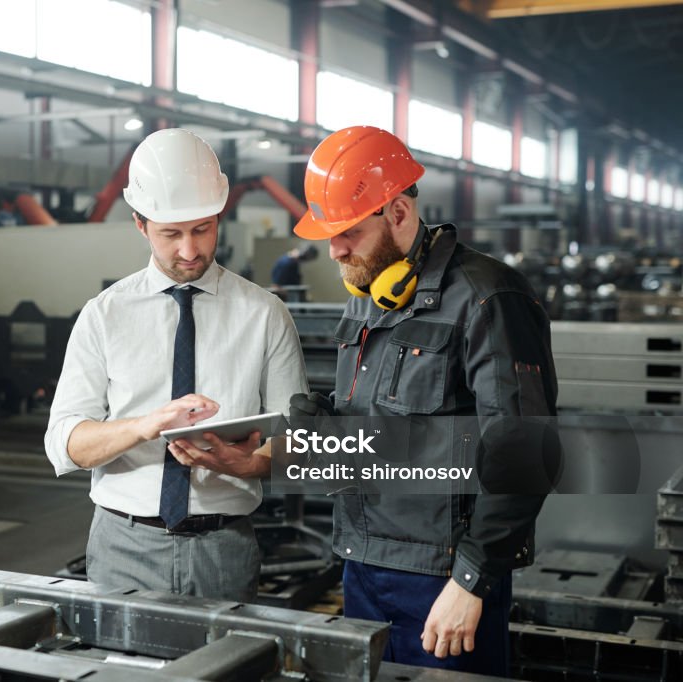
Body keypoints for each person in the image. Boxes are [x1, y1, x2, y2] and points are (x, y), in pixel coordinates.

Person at [290, 126, 557, 676]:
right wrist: (325, 433)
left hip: (442, 578)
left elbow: (524, 451)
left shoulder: (487, 298)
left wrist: (472, 580)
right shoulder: (368, 298)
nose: (334, 249)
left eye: (347, 232)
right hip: (362, 564)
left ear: (396, 214)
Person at [44, 128, 307, 602]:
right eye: (171, 234)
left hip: (225, 548)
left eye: (203, 229)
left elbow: (299, 446)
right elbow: (66, 445)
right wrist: (146, 426)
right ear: (140, 224)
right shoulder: (105, 315)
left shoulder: (265, 314)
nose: (189, 251)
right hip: (123, 545)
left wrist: (247, 463)